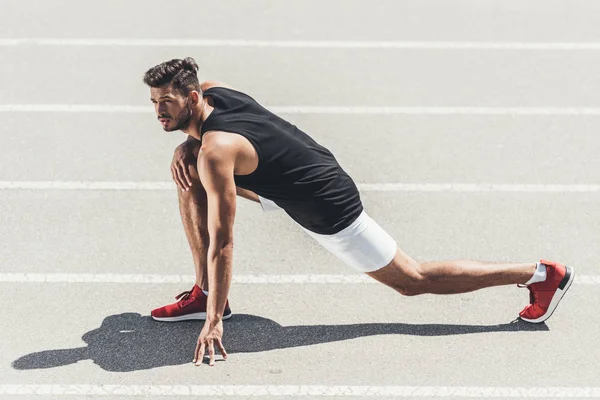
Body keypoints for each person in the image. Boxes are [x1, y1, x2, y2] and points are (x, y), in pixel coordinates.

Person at [143, 57, 574, 367]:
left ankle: (539, 274)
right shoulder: (216, 94)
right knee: (190, 173)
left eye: (167, 102)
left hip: (326, 203)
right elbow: (217, 135)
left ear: (194, 96)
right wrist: (188, 144)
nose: (159, 111)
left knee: (413, 280)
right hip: (295, 177)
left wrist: (215, 323)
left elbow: (224, 241)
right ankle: (203, 293)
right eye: (154, 102)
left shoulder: (217, 150)